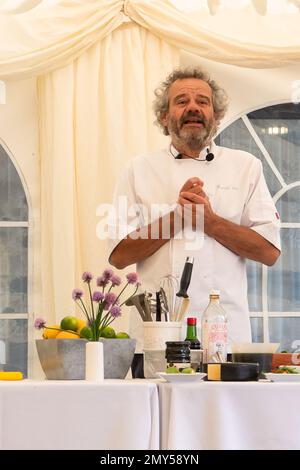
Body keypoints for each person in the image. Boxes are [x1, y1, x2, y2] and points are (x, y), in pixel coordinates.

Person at [108, 66, 281, 348]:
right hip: (155, 335)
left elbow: (269, 252)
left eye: (202, 101)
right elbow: (118, 255)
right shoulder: (137, 169)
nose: (193, 108)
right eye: (181, 101)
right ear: (165, 117)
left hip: (226, 336)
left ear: (216, 116)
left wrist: (210, 221)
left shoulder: (246, 166)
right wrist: (177, 218)